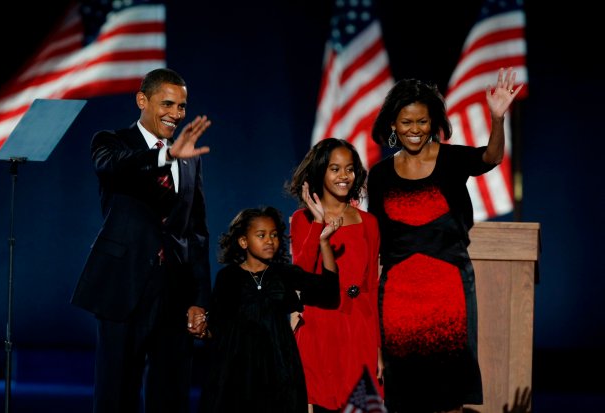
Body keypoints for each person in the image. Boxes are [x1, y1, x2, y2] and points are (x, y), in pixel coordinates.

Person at [366, 67, 524, 413]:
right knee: (404, 395)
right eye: (406, 122)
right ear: (393, 124)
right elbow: (375, 239)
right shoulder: (378, 176)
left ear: (433, 122)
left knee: (448, 395)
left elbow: (491, 158)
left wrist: (497, 118)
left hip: (448, 291)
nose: (414, 130)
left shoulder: (452, 159)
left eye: (422, 122)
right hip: (398, 297)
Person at [71, 67, 213, 413]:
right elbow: (114, 166)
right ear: (142, 100)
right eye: (167, 104)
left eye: (181, 107)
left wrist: (198, 299)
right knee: (117, 394)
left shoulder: (189, 159)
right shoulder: (111, 142)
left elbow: (196, 231)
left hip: (174, 291)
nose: (176, 114)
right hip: (123, 286)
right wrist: (166, 156)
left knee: (171, 394)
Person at [197, 206, 341, 413]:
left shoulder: (285, 274)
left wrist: (324, 243)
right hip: (237, 369)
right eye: (261, 235)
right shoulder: (227, 277)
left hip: (279, 366)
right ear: (243, 241)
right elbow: (219, 325)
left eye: (274, 235)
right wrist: (204, 330)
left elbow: (329, 290)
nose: (269, 240)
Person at [288, 138, 383, 412]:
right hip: (322, 327)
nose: (344, 176)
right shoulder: (301, 219)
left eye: (350, 169)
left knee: (362, 405)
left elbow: (372, 287)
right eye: (335, 168)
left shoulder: (369, 223)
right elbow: (302, 274)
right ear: (320, 172)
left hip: (359, 328)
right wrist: (318, 223)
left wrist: (377, 349)